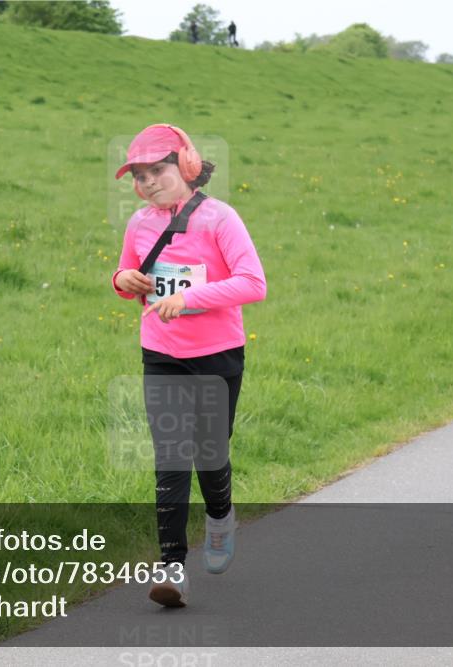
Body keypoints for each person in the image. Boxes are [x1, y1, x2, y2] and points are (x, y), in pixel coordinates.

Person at [111, 124, 267, 607]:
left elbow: (253, 283)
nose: (147, 182)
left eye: (157, 170)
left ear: (187, 166)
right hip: (161, 353)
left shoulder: (220, 218)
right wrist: (125, 279)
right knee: (171, 457)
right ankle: (172, 567)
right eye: (139, 175)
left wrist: (193, 296)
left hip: (217, 354)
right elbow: (124, 274)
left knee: (209, 451)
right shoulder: (138, 223)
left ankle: (220, 516)